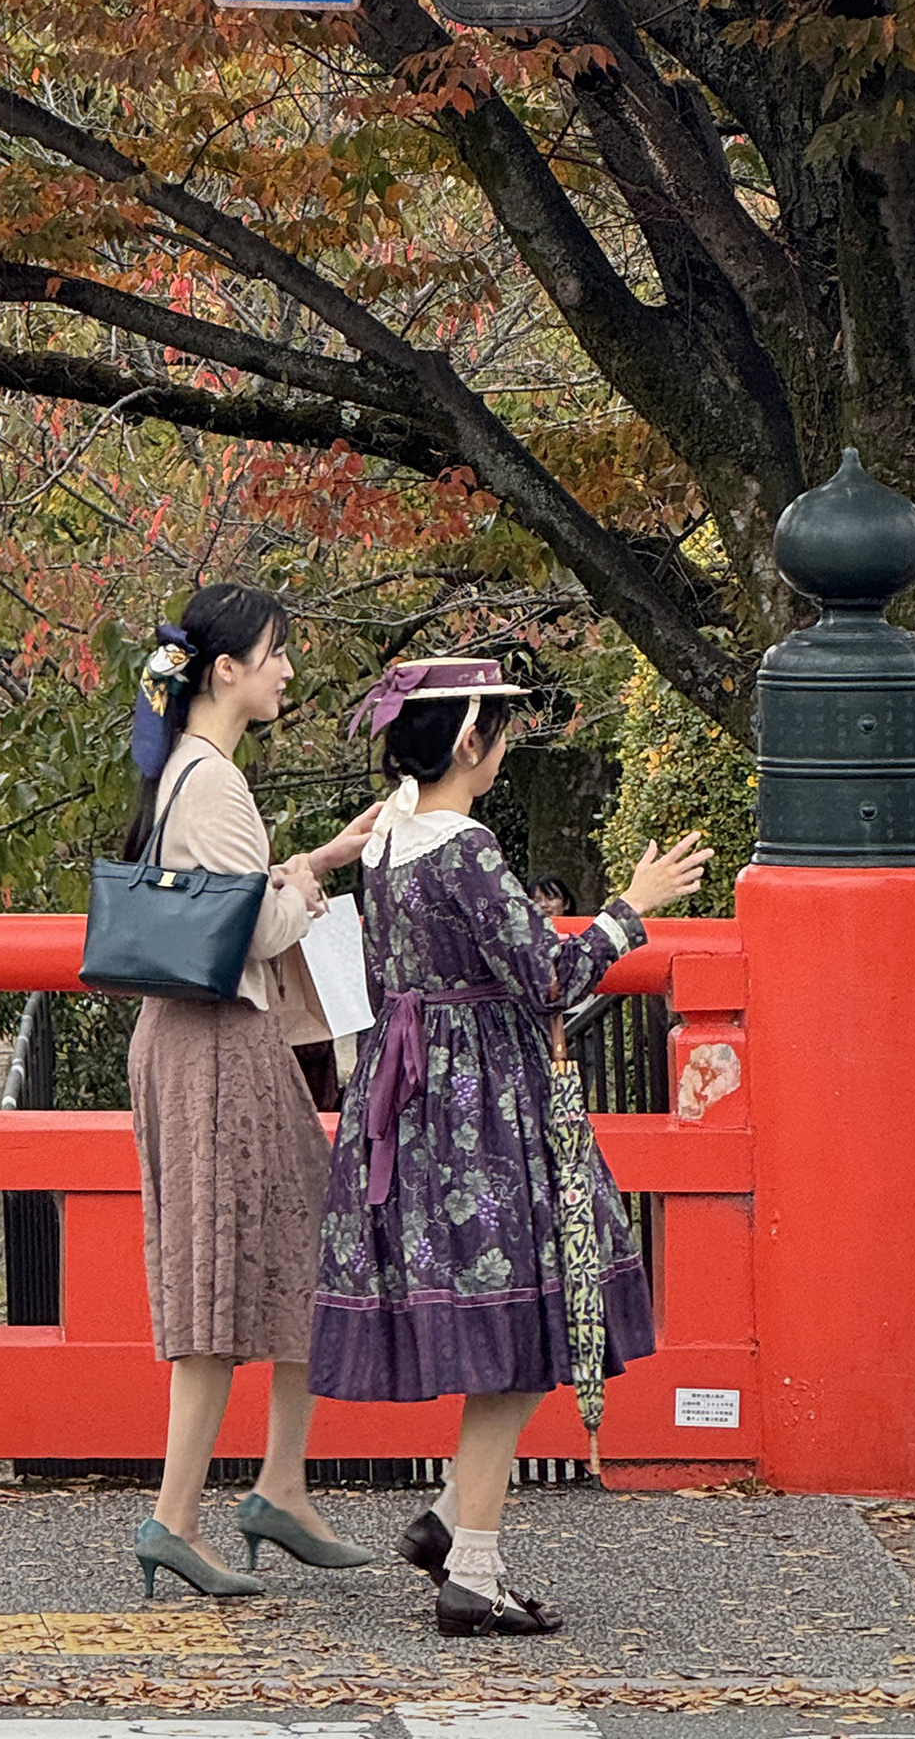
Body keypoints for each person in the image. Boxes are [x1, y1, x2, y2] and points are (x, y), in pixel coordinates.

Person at [308, 657, 710, 1637]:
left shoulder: (386, 843)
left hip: (406, 1106)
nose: (503, 748)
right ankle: (470, 1565)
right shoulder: (465, 845)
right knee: (528, 1324)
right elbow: (547, 975)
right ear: (467, 743)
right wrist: (633, 902)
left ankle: (456, 1526)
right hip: (486, 1107)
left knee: (515, 1328)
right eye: (497, 731)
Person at [123, 583, 387, 1600]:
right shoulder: (216, 781)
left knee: (283, 1245)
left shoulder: (179, 771)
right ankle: (182, 1513)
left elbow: (223, 901)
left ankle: (273, 1486)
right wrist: (316, 886)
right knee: (229, 1271)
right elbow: (253, 930)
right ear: (224, 667)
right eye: (276, 653)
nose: (285, 669)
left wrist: (311, 858)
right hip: (222, 1042)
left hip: (194, 1038)